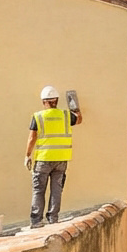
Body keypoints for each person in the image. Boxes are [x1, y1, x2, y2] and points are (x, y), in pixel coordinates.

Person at [25, 85, 83, 227]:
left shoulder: (38, 116)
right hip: (61, 159)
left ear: (43, 101)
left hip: (43, 159)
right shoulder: (66, 115)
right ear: (56, 100)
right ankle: (53, 218)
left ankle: (36, 221)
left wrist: (27, 155)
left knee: (39, 190)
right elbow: (79, 119)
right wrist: (75, 107)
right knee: (57, 190)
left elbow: (32, 138)